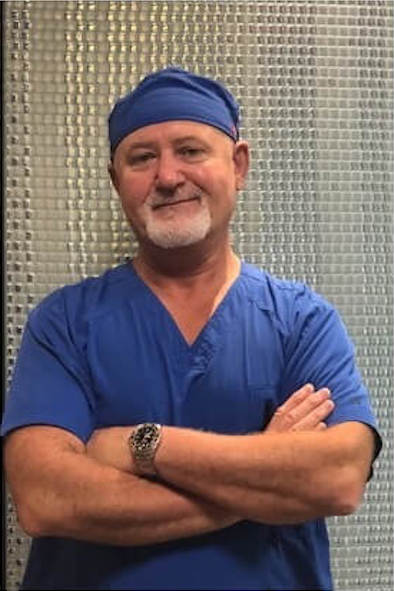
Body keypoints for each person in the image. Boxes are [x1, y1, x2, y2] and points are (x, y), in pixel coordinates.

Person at [2, 67, 381, 591]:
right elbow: (46, 498)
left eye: (191, 150)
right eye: (141, 158)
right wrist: (264, 483)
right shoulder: (65, 323)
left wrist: (144, 446)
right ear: (117, 182)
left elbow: (336, 480)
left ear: (238, 165)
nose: (167, 176)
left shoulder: (302, 321)